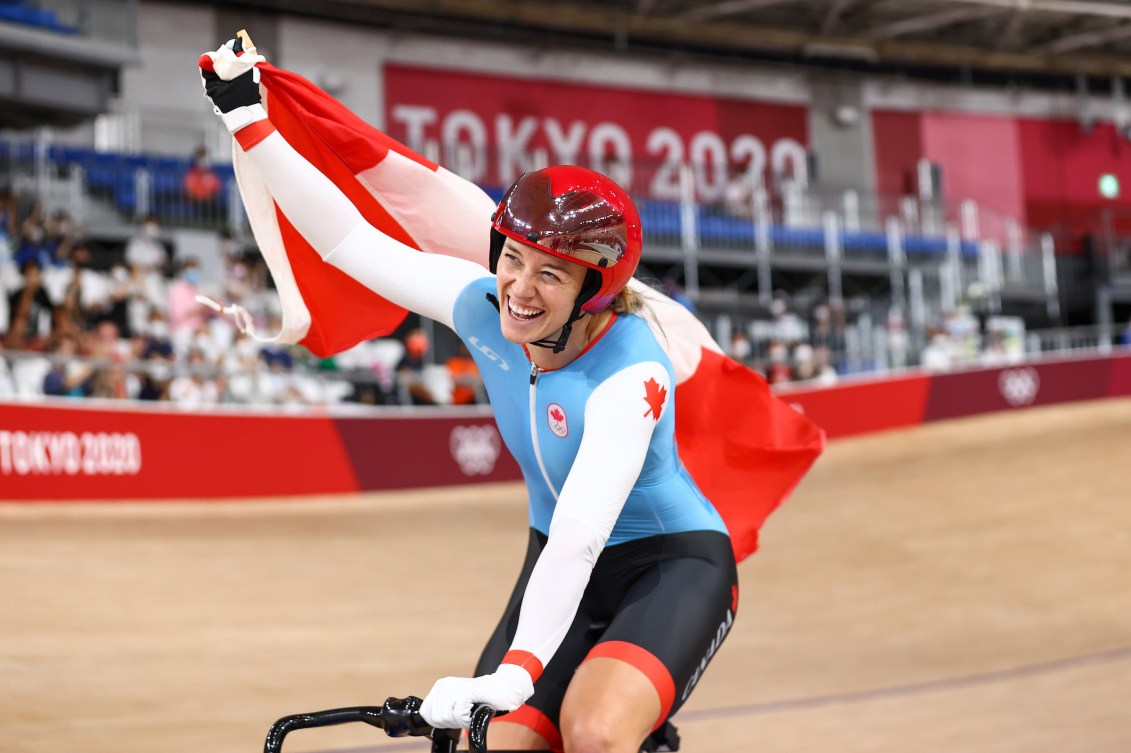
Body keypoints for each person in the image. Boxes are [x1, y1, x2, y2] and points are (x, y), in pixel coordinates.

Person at [201, 41, 739, 753]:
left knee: (595, 733)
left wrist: (514, 673)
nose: (518, 287)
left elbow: (582, 536)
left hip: (669, 564)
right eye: (512, 258)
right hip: (552, 558)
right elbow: (346, 241)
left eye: (551, 274)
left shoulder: (630, 373)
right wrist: (249, 124)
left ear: (593, 291)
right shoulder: (481, 308)